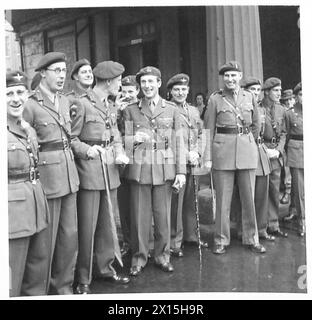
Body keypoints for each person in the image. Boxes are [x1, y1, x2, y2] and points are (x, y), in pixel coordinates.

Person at [71, 61, 130, 294]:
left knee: (107, 225)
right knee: (87, 227)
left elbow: (114, 134)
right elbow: (72, 138)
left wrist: (120, 152)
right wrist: (88, 151)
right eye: (118, 82)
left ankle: (105, 269)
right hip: (90, 171)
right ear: (107, 81)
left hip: (109, 171)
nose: (121, 86)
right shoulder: (82, 103)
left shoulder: (109, 104)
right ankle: (83, 277)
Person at [23, 52, 80, 295]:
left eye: (63, 71)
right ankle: (37, 291)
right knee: (44, 242)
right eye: (56, 70)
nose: (61, 75)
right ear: (43, 74)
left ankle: (63, 287)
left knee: (69, 238)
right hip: (47, 179)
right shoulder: (30, 104)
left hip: (69, 175)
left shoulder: (65, 101)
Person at [123, 66, 186, 276]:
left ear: (159, 83)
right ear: (140, 86)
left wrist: (181, 172)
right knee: (139, 218)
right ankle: (139, 258)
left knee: (163, 217)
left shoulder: (171, 109)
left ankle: (162, 256)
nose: (147, 86)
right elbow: (122, 140)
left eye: (151, 82)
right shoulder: (131, 110)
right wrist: (133, 140)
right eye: (144, 83)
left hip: (163, 166)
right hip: (140, 168)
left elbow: (179, 142)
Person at [204, 60, 266, 255]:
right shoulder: (215, 99)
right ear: (223, 79)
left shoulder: (249, 97)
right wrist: (208, 156)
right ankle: (221, 240)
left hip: (246, 152)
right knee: (223, 200)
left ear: (240, 77)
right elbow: (208, 129)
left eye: (233, 75)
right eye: (227, 76)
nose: (230, 79)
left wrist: (249, 142)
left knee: (249, 198)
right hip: (223, 153)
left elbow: (256, 124)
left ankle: (251, 238)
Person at [7, 70, 50, 297]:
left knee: (37, 273)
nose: (16, 98)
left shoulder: (27, 128)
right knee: (11, 279)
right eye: (9, 93)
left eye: (20, 92)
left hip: (36, 206)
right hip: (12, 214)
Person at [166, 73, 209, 258]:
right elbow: (167, 139)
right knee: (177, 203)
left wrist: (198, 153)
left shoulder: (193, 111)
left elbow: (201, 133)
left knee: (192, 201)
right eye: (176, 89)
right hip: (177, 163)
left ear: (188, 90)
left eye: (183, 89)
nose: (180, 92)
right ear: (170, 91)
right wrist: (186, 154)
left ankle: (192, 235)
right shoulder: (167, 110)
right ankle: (175, 241)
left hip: (193, 162)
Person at [260, 77, 288, 238]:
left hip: (275, 155)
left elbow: (284, 133)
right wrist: (265, 150)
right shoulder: (258, 108)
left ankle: (273, 224)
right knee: (262, 191)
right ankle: (262, 227)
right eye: (276, 90)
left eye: (280, 90)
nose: (279, 93)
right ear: (267, 92)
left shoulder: (281, 109)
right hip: (262, 153)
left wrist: (278, 150)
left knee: (274, 190)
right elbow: (255, 132)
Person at [117, 75, 140, 257]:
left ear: (137, 92)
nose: (127, 95)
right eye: (124, 92)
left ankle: (143, 242)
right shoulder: (116, 108)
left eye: (130, 92)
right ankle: (127, 241)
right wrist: (117, 112)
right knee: (124, 205)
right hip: (123, 163)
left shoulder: (141, 109)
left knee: (140, 205)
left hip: (141, 161)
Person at [285, 82, 304, 236]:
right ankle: (302, 220)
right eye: (301, 94)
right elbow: (286, 134)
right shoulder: (290, 113)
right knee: (299, 189)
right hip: (297, 151)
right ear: (297, 97)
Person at [279, 89, 295, 206]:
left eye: (291, 99)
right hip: (285, 144)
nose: (289, 102)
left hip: (295, 145)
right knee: (286, 170)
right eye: (286, 100)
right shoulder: (283, 111)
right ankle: (287, 192)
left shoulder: (296, 111)